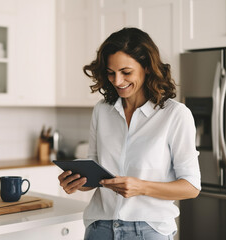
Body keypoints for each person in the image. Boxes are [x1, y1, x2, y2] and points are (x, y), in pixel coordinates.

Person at [58, 27, 201, 240]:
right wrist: (78, 183)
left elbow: (191, 187)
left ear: (147, 68)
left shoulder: (175, 115)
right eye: (110, 72)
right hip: (100, 228)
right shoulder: (102, 110)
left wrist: (141, 187)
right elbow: (96, 171)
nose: (117, 81)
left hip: (148, 231)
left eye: (126, 72)